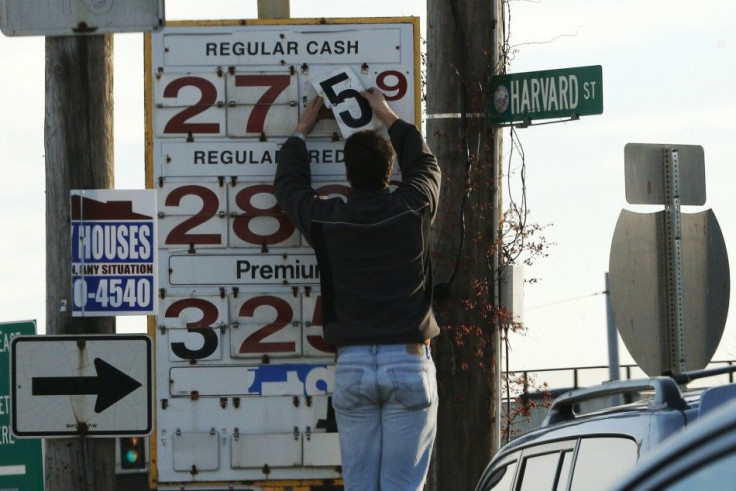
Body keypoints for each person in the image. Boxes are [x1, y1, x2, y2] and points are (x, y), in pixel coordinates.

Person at [274, 88, 441, 491]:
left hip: (352, 365)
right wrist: (387, 116)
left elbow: (289, 189)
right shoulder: (413, 206)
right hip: (408, 359)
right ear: (390, 171)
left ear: (346, 176)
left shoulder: (330, 219)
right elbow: (426, 165)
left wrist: (300, 132)